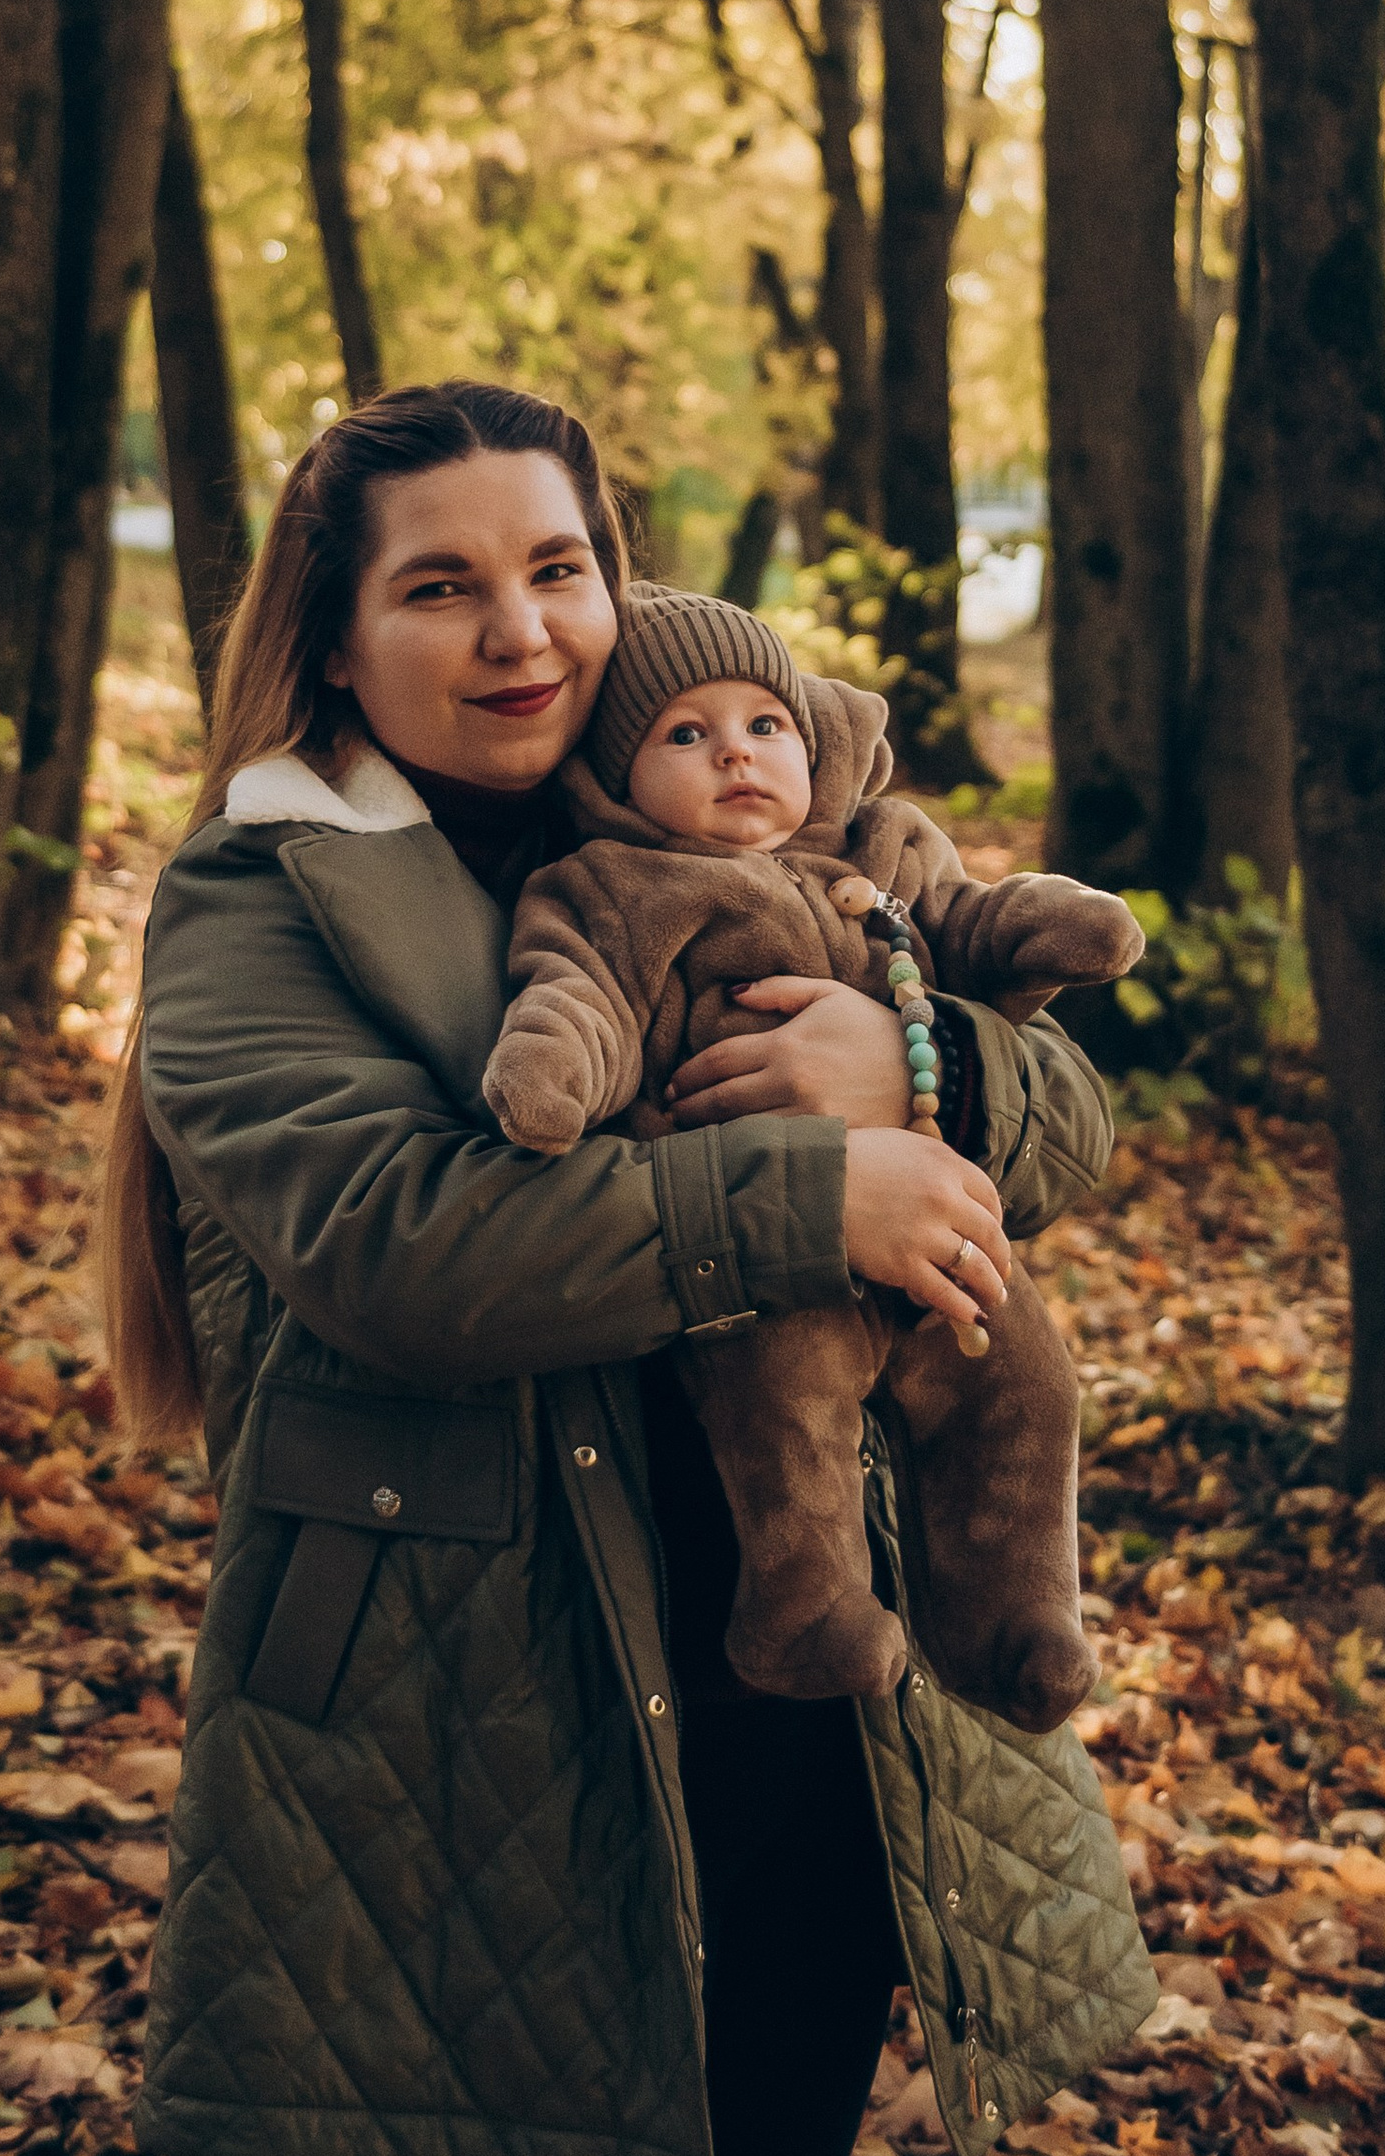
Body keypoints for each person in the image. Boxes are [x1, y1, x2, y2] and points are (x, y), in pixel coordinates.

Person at [105, 381, 1156, 2156]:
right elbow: (406, 1249)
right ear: (332, 639)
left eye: (557, 566)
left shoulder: (743, 787)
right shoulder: (262, 898)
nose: (519, 631)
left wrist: (917, 1061)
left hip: (807, 1722)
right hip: (480, 1750)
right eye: (442, 586)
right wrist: (812, 1190)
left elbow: (1070, 1115)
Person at [482, 584, 1147, 1726]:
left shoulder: (882, 843)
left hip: (932, 1206)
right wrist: (558, 1068)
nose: (735, 755)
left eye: (763, 725)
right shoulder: (613, 887)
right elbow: (576, 996)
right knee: (786, 1411)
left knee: (1025, 1386)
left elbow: (966, 921)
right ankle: (802, 1609)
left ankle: (1014, 1621)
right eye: (685, 736)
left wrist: (1040, 927)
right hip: (760, 1248)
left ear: (808, 735)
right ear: (612, 778)